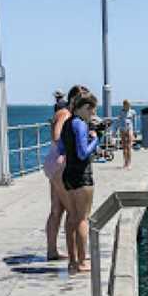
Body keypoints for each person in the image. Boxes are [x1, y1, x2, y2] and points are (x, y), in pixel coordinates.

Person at [44, 85, 87, 260]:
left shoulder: (63, 113)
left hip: (54, 162)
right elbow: (56, 135)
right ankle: (76, 255)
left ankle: (52, 251)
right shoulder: (65, 114)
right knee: (73, 210)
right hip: (61, 164)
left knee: (57, 209)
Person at [61, 91, 101, 274]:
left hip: (68, 175)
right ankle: (83, 262)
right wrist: (96, 140)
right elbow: (83, 153)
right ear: (85, 108)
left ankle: (72, 261)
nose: (92, 115)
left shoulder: (67, 123)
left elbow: (62, 148)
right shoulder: (80, 124)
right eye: (92, 111)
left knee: (72, 218)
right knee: (82, 219)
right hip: (82, 176)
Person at [117, 99, 137, 170]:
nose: (128, 106)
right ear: (124, 105)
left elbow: (134, 122)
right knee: (124, 147)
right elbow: (118, 121)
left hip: (129, 129)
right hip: (122, 129)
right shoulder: (121, 112)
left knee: (129, 146)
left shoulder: (132, 112)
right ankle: (125, 163)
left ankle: (129, 163)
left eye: (129, 105)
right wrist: (115, 130)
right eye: (127, 105)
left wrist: (135, 131)